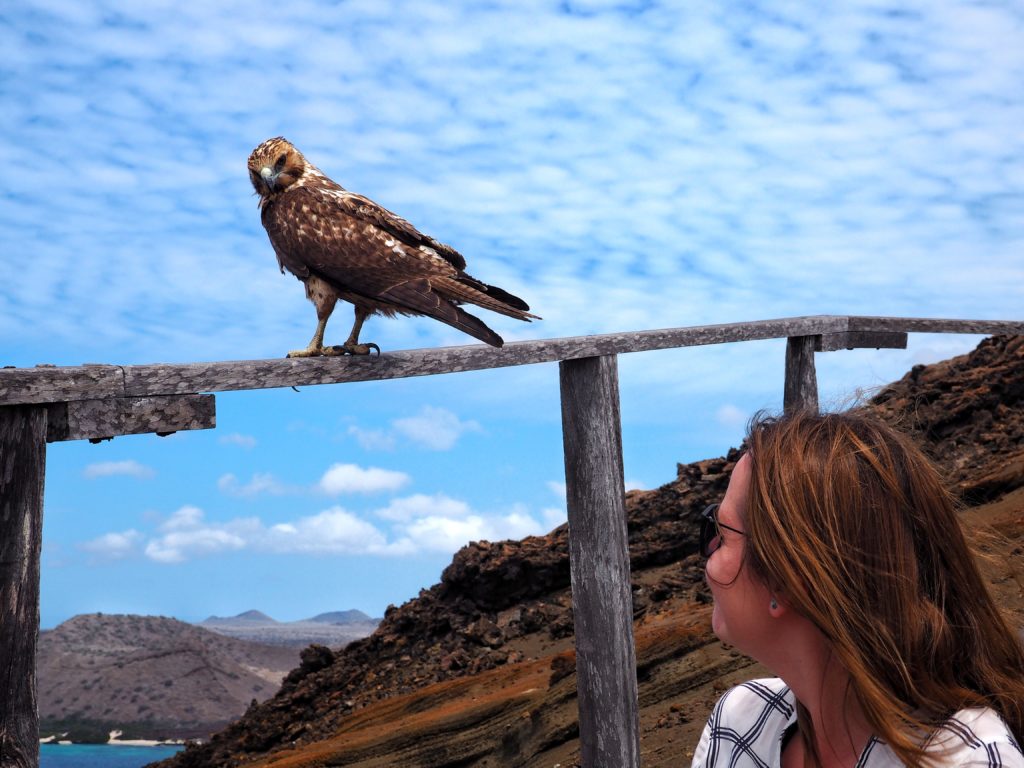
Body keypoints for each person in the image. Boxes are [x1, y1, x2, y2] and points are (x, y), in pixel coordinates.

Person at [691, 409, 1024, 768]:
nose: (706, 560)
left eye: (720, 535)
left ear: (784, 581)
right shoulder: (739, 724)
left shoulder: (968, 761)